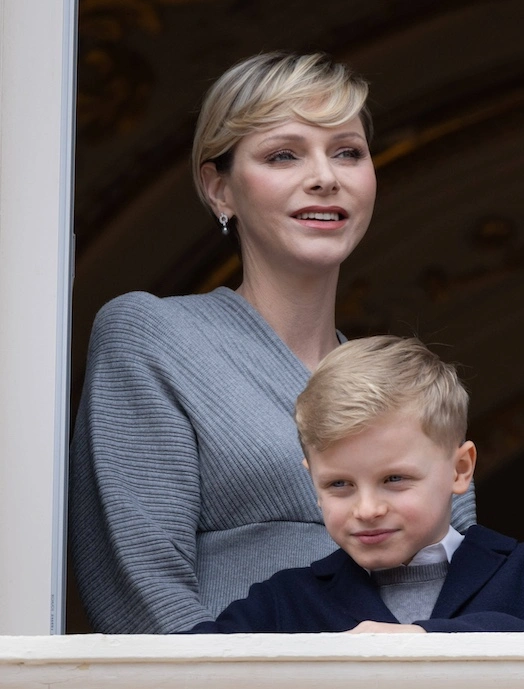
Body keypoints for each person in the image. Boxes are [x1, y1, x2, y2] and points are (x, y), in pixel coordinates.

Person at [70, 52, 474, 633]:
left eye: (347, 152)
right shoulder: (152, 335)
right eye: (284, 154)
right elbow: (142, 595)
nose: (324, 176)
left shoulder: (406, 384)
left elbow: (467, 582)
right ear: (219, 190)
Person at [190, 336, 524, 633]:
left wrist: (426, 641)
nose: (367, 508)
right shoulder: (283, 603)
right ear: (311, 480)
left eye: (394, 479)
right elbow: (183, 670)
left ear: (460, 470)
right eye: (339, 484)